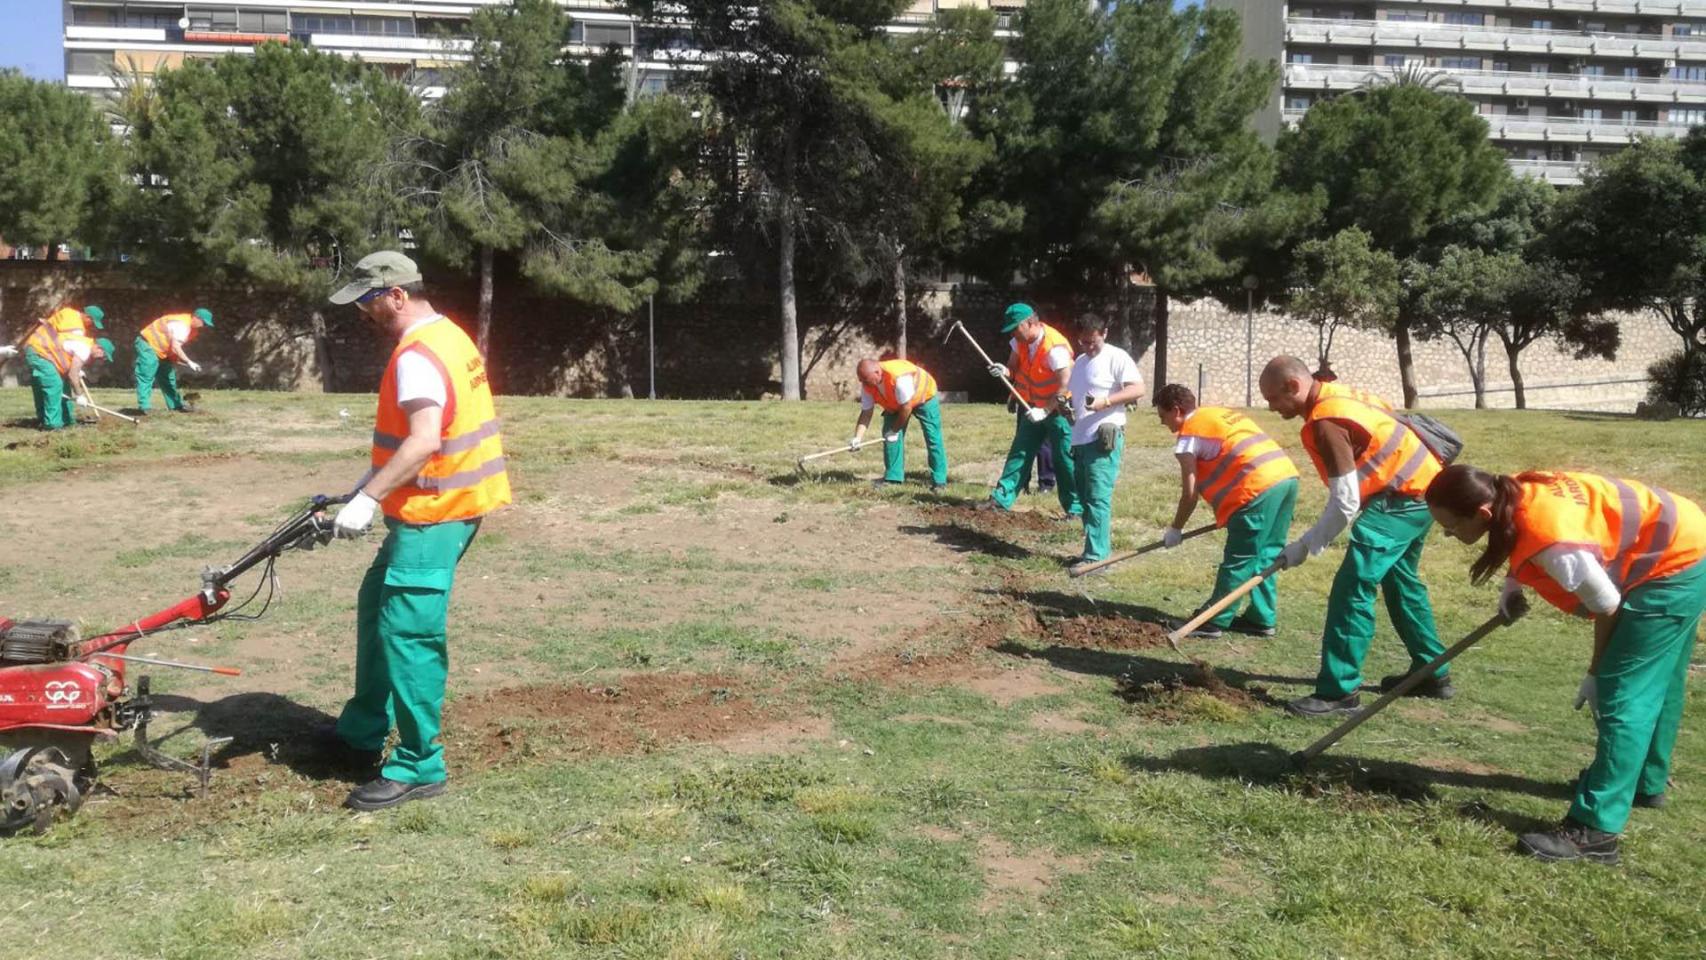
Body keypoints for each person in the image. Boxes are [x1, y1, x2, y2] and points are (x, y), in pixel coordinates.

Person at [1426, 465, 1706, 864]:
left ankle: (1595, 831)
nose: (1448, 535)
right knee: (1660, 678)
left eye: (1451, 527)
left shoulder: (1556, 542)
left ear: (1482, 514)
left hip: (1674, 565)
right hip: (1686, 534)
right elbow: (1522, 530)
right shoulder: (1514, 491)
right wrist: (1513, 583)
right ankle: (1644, 781)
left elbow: (1608, 605)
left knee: (1623, 694)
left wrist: (1596, 673)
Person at [326, 252, 512, 812]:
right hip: (436, 505)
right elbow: (413, 436)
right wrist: (362, 486)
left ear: (397, 295)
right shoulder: (448, 337)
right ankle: (361, 731)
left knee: (409, 632)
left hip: (436, 512)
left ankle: (419, 764)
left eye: (367, 300)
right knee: (376, 605)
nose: (362, 311)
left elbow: (426, 439)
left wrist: (368, 499)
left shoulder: (418, 355)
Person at [1258, 356, 1448, 717]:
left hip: (1401, 499)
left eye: (1272, 399)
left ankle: (1339, 692)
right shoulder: (1339, 394)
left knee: (1353, 586)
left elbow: (1344, 502)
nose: (1271, 407)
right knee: (1401, 581)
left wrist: (1305, 546)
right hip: (1427, 489)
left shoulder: (1327, 421)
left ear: (1293, 386)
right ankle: (1432, 670)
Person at [1155, 384, 1299, 638]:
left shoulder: (1189, 436)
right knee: (1268, 553)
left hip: (1255, 489)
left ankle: (1213, 621)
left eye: (1163, 416)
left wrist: (1175, 529)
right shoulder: (1216, 414)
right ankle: (1261, 618)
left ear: (1176, 410)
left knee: (1240, 558)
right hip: (1286, 478)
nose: (1162, 423)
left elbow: (1190, 493)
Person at [982, 303, 1080, 517]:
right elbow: (1014, 368)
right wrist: (1004, 371)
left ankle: (1075, 510)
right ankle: (1001, 499)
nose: (1013, 334)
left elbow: (1067, 384)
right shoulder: (1020, 342)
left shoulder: (1054, 349)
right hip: (1032, 405)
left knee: (1063, 459)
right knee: (1020, 452)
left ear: (1031, 323)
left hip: (1059, 410)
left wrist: (1046, 411)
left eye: (1015, 328)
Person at [1065, 313, 1144, 566]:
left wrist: (1106, 402)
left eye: (1093, 342)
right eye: (1083, 342)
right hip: (1080, 439)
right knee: (1085, 497)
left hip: (1103, 438)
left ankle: (1097, 558)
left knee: (1098, 497)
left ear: (1105, 333)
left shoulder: (1117, 357)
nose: (1088, 347)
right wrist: (1067, 408)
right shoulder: (1079, 361)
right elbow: (1076, 396)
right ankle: (1093, 548)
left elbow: (1137, 388)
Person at [851, 357, 949, 492]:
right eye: (862, 381)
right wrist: (858, 438)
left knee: (932, 437)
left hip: (924, 396)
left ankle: (939, 481)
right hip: (897, 403)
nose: (864, 384)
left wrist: (895, 430)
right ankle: (893, 478)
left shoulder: (899, 377)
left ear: (877, 372)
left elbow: (907, 408)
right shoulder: (867, 385)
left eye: (866, 380)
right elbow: (866, 412)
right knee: (889, 435)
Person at [21, 305, 111, 430]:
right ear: (99, 348)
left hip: (40, 350)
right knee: (54, 384)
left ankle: (63, 419)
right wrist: (80, 395)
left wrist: (76, 369)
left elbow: (64, 350)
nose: (102, 359)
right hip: (41, 351)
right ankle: (52, 425)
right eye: (104, 356)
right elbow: (72, 375)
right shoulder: (83, 345)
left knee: (56, 385)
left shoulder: (82, 340)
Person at [135, 308, 214, 414]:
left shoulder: (191, 329)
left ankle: (176, 406)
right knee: (147, 374)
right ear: (196, 318)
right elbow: (176, 347)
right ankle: (144, 407)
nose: (204, 327)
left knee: (168, 378)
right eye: (204, 323)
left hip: (162, 351)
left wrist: (173, 360)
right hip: (147, 344)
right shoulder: (182, 326)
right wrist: (189, 362)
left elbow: (173, 345)